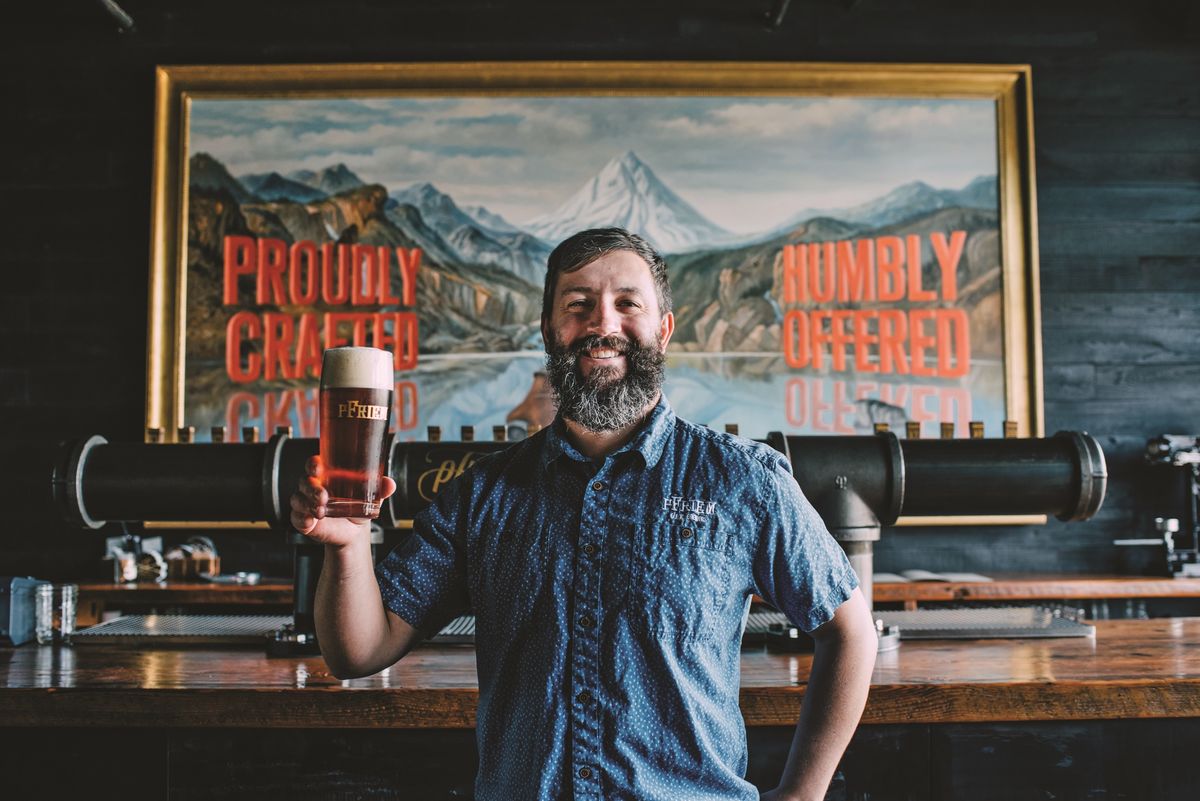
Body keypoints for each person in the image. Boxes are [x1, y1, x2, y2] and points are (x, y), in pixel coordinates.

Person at [291, 227, 878, 801]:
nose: (603, 324)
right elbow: (359, 652)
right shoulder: (483, 494)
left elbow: (850, 631)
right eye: (578, 304)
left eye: (628, 303)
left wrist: (804, 793)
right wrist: (346, 544)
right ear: (550, 328)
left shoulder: (743, 479)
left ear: (664, 329)